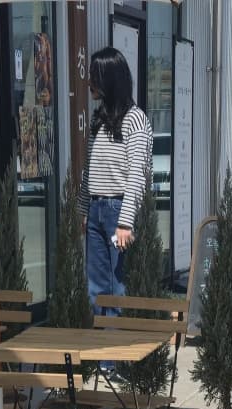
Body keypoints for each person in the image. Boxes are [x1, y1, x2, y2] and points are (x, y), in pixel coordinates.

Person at [82, 48, 152, 311]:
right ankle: (101, 349)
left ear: (110, 80)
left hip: (118, 211)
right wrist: (83, 208)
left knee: (118, 287)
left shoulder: (135, 120)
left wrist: (125, 222)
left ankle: (114, 351)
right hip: (96, 209)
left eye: (94, 76)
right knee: (96, 290)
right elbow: (89, 169)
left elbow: (137, 173)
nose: (90, 82)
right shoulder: (97, 120)